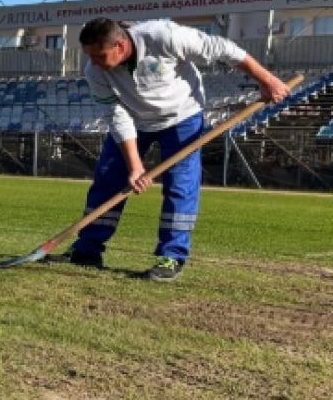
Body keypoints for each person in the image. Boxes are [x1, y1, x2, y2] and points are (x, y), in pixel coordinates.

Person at [44, 18, 289, 281]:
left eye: (100, 55)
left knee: (179, 185)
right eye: (89, 56)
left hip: (182, 117)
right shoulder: (95, 72)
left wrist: (266, 79)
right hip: (134, 120)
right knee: (108, 180)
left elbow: (224, 49)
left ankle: (171, 257)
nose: (94, 62)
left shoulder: (164, 36)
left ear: (120, 44)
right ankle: (87, 250)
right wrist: (135, 166)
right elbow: (116, 115)